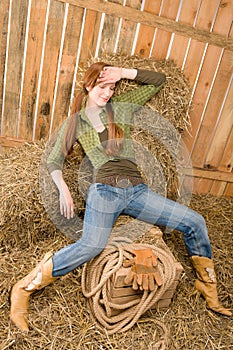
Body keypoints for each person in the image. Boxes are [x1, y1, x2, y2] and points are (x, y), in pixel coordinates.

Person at [10, 62, 231, 332]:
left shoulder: (121, 108)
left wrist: (123, 73)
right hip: (104, 192)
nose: (107, 92)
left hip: (138, 191)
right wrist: (63, 188)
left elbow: (158, 81)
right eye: (102, 86)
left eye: (112, 88)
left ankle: (208, 290)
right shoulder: (75, 123)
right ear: (89, 85)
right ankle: (24, 288)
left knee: (195, 221)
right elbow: (54, 161)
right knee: (91, 245)